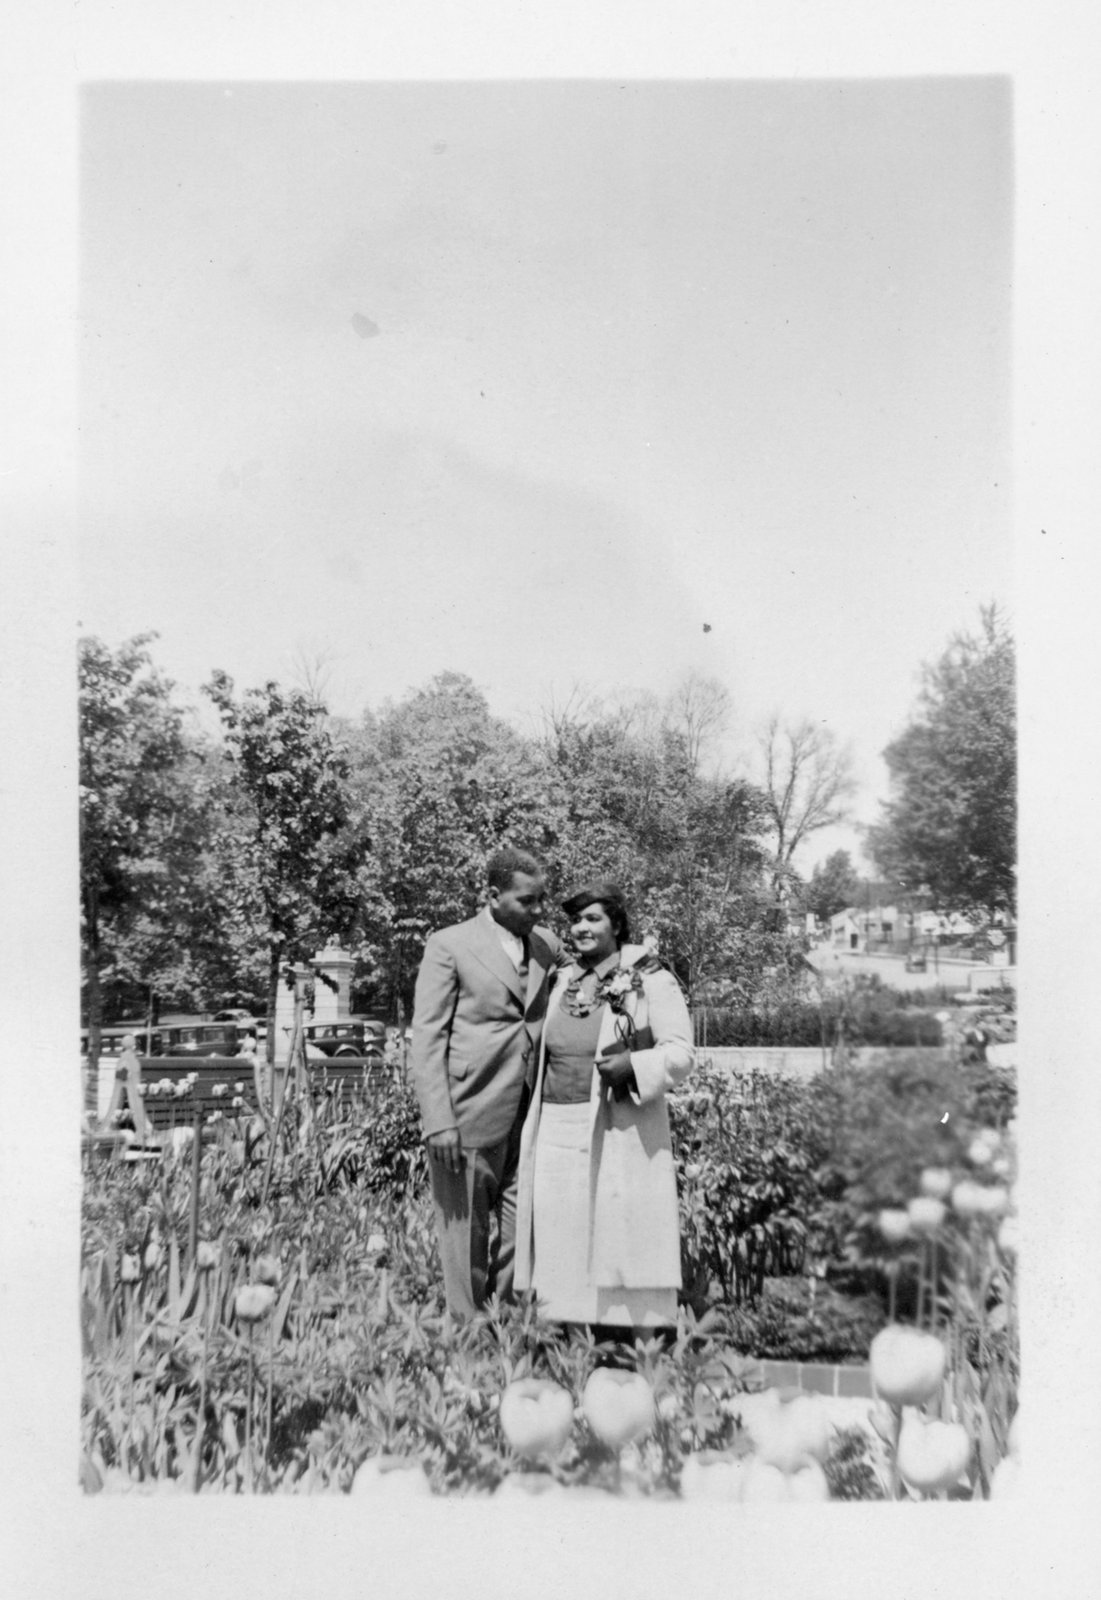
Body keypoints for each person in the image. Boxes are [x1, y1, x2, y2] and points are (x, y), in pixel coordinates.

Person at [514, 881, 693, 1332]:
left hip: (616, 1129)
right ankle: (573, 1354)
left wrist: (634, 1064)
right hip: (555, 1128)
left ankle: (642, 1354)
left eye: (593, 918)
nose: (581, 928)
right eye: (575, 920)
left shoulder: (650, 979)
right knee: (561, 1240)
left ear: (617, 924)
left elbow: (681, 1053)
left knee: (624, 1235)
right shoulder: (560, 984)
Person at [409, 846, 566, 1319]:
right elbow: (428, 1037)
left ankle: (508, 1328)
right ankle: (464, 1339)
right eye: (527, 901)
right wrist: (438, 1120)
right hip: (467, 1110)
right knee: (464, 1236)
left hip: (530, 1111)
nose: (538, 910)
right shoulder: (449, 945)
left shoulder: (546, 944)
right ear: (493, 896)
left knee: (523, 1233)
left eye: (542, 900)